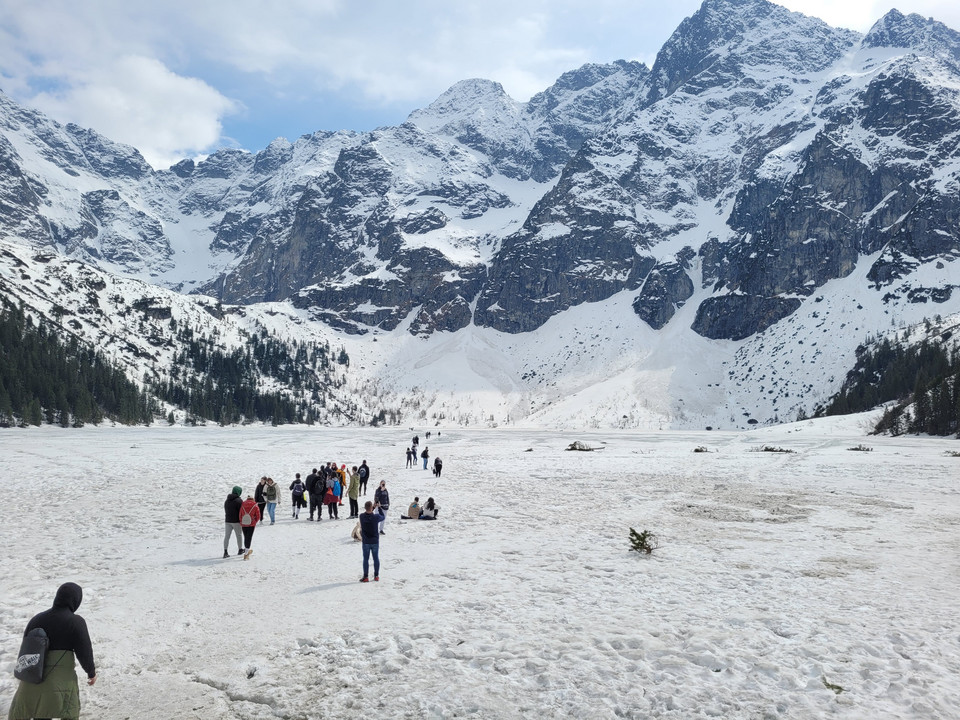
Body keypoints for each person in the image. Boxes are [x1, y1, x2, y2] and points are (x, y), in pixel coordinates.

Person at [8, 582, 96, 720]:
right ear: (76, 600)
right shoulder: (75, 621)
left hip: (32, 681)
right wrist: (91, 672)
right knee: (67, 710)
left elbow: (24, 651)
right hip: (60, 685)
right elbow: (84, 650)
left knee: (40, 711)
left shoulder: (36, 619)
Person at [358, 501, 383, 582]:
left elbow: (368, 513)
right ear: (371, 507)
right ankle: (376, 575)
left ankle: (366, 576)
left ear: (365, 507)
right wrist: (378, 507)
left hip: (366, 541)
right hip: (375, 540)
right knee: (376, 558)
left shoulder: (361, 516)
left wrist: (373, 507)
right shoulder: (376, 517)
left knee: (366, 559)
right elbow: (382, 516)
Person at [224, 485, 244, 557]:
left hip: (228, 521)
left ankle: (225, 551)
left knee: (227, 536)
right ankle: (240, 549)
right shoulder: (239, 501)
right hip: (236, 521)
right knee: (238, 535)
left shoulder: (227, 500)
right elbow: (242, 511)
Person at [239, 494, 261, 560]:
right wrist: (254, 522)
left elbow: (240, 514)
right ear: (252, 499)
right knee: (249, 537)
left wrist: (241, 521)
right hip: (251, 524)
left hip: (244, 523)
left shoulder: (243, 504)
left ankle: (247, 550)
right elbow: (258, 516)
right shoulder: (255, 505)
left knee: (246, 537)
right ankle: (246, 554)